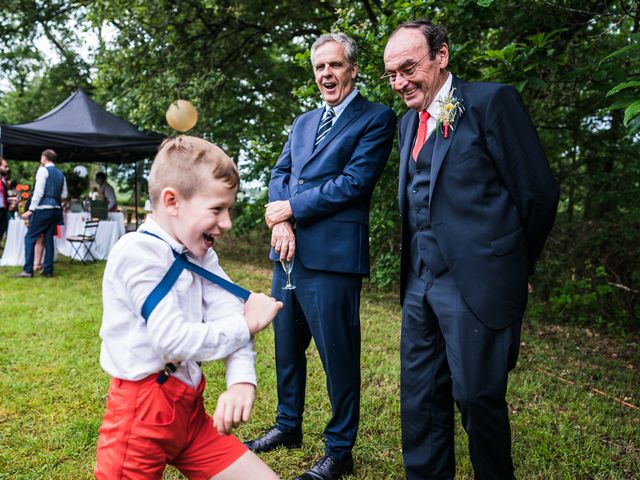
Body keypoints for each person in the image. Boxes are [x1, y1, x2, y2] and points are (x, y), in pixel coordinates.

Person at [383, 20, 560, 479]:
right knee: (419, 396)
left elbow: (538, 193)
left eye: (408, 68)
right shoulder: (407, 124)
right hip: (420, 283)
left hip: (476, 280)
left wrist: (518, 263)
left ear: (441, 56)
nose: (400, 83)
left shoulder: (490, 102)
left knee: (478, 398)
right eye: (391, 75)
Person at [244, 33, 396, 480]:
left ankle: (340, 450)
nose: (326, 75)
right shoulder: (303, 121)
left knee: (337, 355)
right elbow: (280, 173)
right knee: (287, 348)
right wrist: (282, 221)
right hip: (287, 253)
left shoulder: (377, 118)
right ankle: (288, 426)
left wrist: (293, 207)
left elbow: (355, 182)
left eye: (334, 66)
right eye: (319, 68)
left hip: (333, 257)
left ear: (352, 69)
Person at [94, 136, 283, 480]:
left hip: (190, 414)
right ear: (172, 201)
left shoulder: (201, 253)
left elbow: (231, 313)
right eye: (216, 209)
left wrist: (242, 380)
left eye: (228, 209)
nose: (226, 223)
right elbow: (173, 340)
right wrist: (248, 325)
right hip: (141, 416)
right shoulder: (136, 253)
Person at [15, 149, 68, 278]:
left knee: (30, 237)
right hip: (56, 210)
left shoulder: (43, 170)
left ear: (44, 158)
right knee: (48, 239)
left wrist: (31, 210)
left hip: (44, 209)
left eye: (41, 157)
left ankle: (28, 270)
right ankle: (48, 270)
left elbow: (38, 192)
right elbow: (64, 194)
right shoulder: (61, 174)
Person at [0, 158, 9, 244]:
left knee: (2, 230)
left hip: (3, 209)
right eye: (5, 166)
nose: (7, 169)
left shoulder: (3, 181)